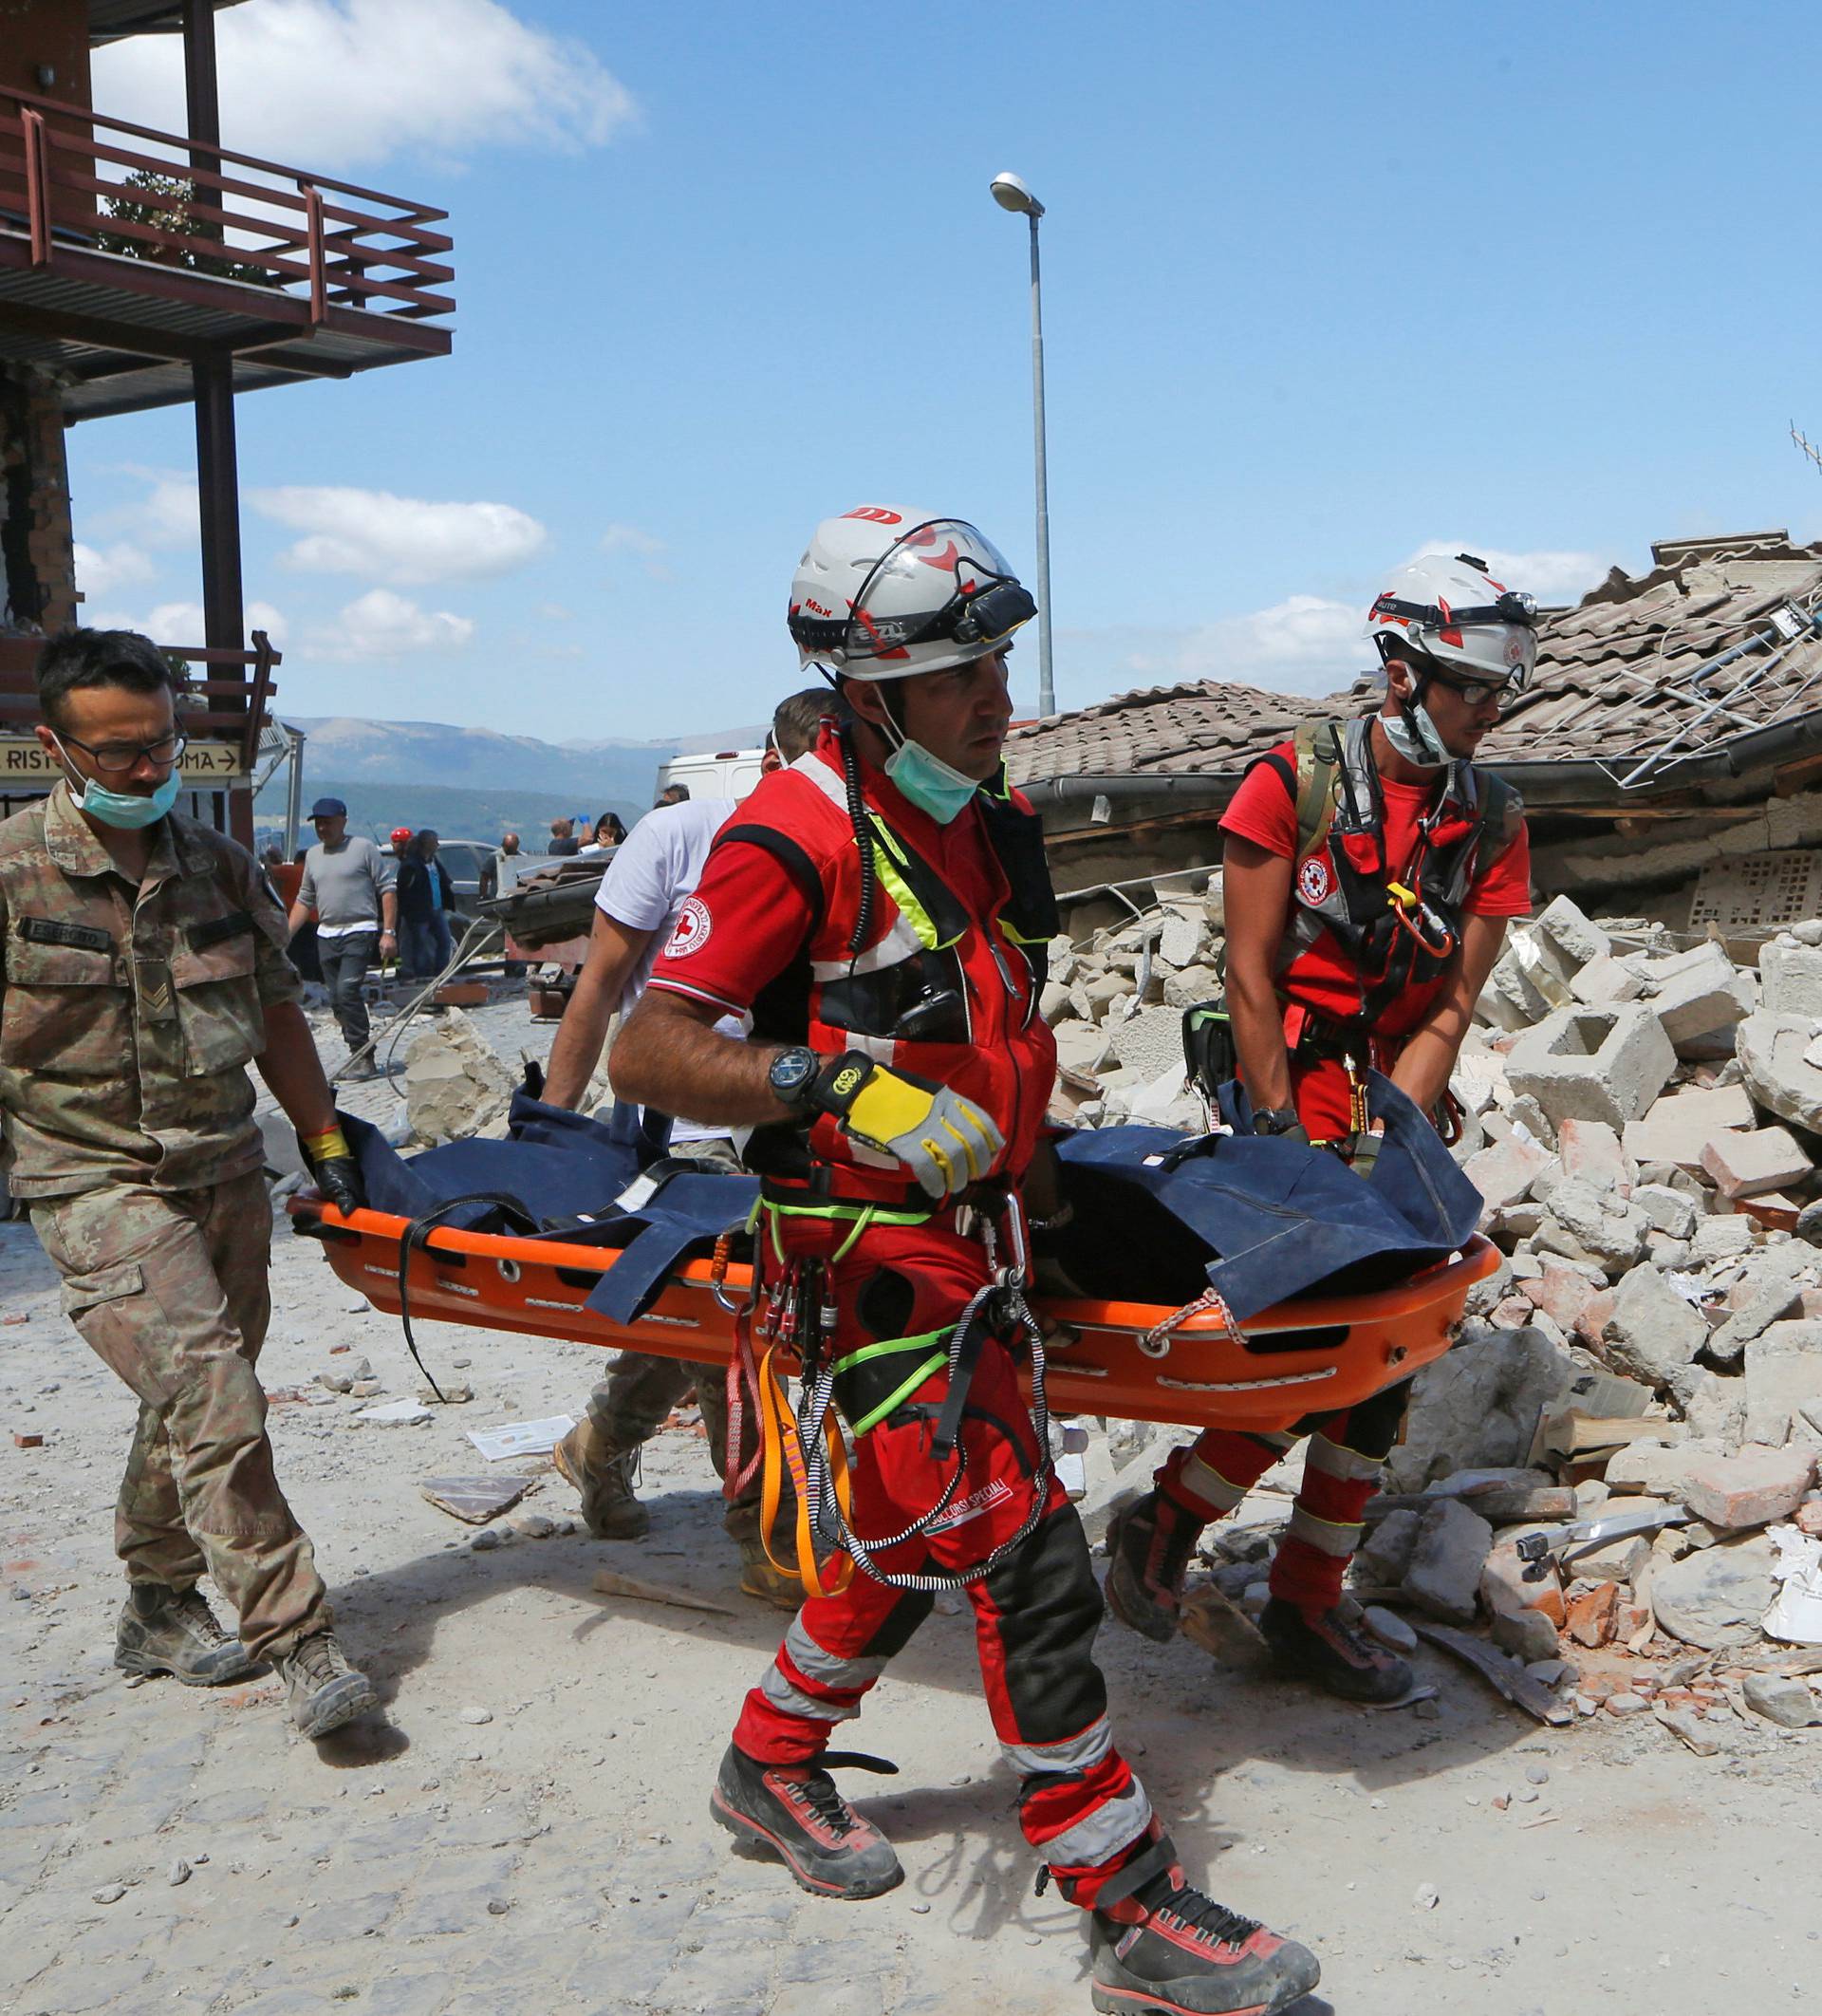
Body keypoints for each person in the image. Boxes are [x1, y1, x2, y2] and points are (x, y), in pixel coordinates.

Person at [609, 510, 1317, 2016]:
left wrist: (1059, 1216)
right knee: (1021, 1556)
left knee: (912, 1532)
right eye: (957, 676)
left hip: (981, 1242)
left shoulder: (975, 825)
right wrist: (826, 1086)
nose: (998, 696)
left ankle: (767, 1761)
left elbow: (990, 1039)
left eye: (997, 660)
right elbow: (655, 1044)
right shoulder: (787, 838)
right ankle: (1123, 1894)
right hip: (871, 1267)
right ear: (868, 696)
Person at [1106, 551, 1536, 1703]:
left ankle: (1281, 1578)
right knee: (1331, 1333)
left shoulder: (1491, 818)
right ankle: (1191, 1529)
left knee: (1395, 1346)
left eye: (1501, 693)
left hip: (1398, 1085)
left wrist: (1399, 1129)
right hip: (1287, 1079)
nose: (1490, 715)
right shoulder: (1289, 783)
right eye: (1472, 691)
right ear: (1401, 675)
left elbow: (1453, 1002)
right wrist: (1298, 1156)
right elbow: (1249, 976)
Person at [0, 629, 377, 1742]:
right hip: (90, 1179)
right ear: (53, 746)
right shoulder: (12, 872)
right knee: (213, 1392)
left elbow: (274, 1016)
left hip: (223, 1168)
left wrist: (328, 1146)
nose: (146, 768)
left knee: (195, 1398)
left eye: (159, 743)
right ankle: (298, 1638)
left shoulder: (220, 867)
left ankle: (158, 1606)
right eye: (116, 751)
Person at [547, 689, 832, 1610]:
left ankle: (600, 1440)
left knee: (711, 1315)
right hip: (685, 1125)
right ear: (770, 766)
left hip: (785, 1121)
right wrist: (549, 1135)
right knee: (734, 1315)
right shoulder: (676, 841)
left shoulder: (845, 849)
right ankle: (766, 1529)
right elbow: (596, 990)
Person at [287, 797, 395, 1075]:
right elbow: (305, 898)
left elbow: (387, 889)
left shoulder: (363, 849)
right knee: (335, 997)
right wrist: (284, 936)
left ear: (342, 821)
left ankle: (364, 1056)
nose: (322, 828)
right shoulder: (313, 855)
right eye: (318, 823)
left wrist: (389, 933)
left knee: (348, 990)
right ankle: (355, 1051)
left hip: (360, 930)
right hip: (327, 934)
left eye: (328, 822)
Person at [397, 828, 456, 980]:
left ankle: (441, 973)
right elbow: (404, 890)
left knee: (444, 941)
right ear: (427, 843)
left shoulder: (434, 862)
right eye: (435, 842)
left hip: (437, 909)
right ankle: (422, 976)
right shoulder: (411, 865)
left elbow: (444, 881)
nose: (437, 844)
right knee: (420, 945)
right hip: (419, 913)